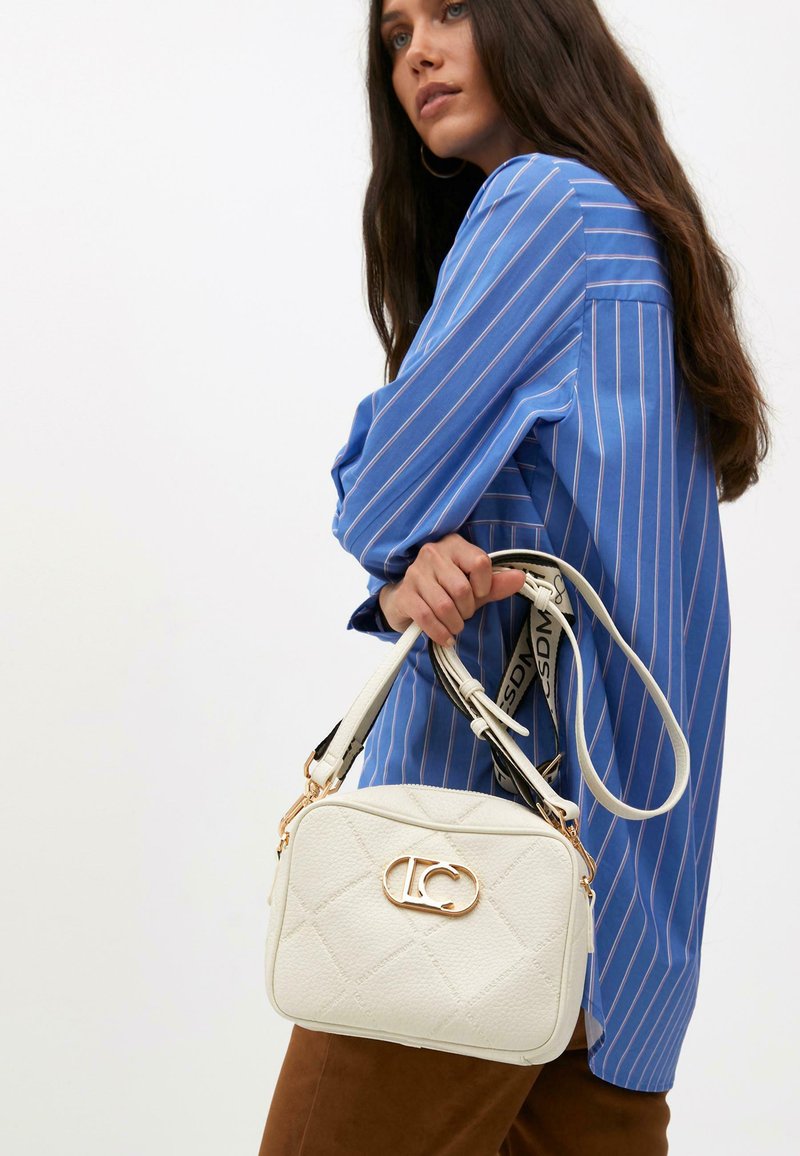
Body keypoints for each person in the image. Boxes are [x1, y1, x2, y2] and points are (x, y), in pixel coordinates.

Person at [258, 1, 771, 1152]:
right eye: (395, 36)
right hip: (619, 923)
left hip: (456, 882)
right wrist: (411, 569)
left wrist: (402, 549)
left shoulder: (542, 206)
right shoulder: (642, 235)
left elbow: (385, 490)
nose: (418, 53)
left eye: (450, 12)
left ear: (538, 26)